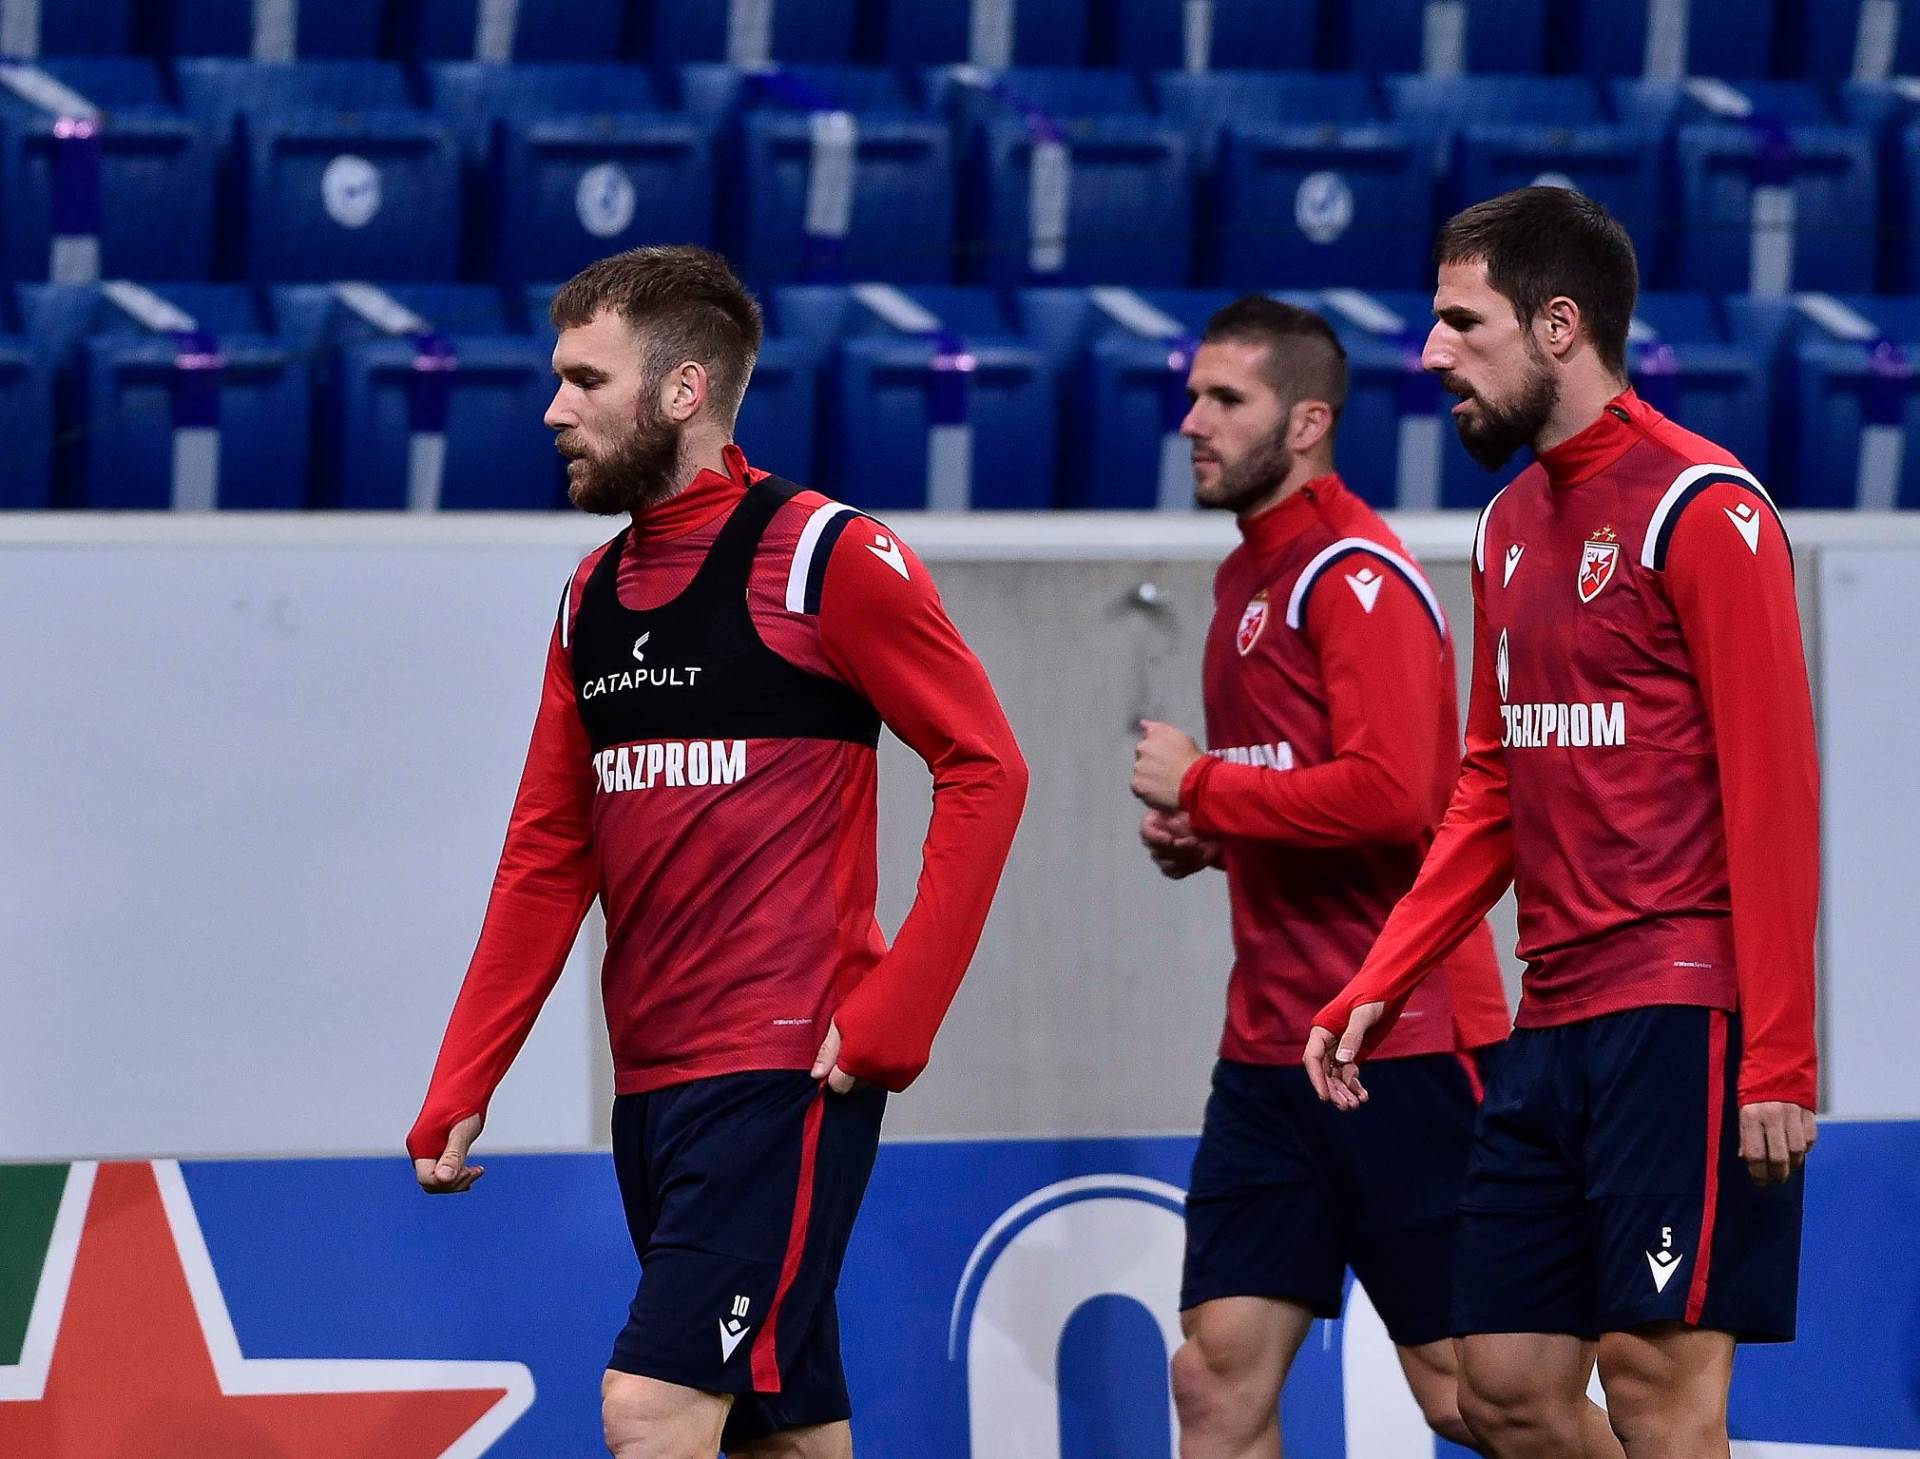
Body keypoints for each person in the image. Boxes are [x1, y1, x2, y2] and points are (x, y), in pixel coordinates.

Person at [405, 245, 1027, 1459]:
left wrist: (905, 1001)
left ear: (683, 391)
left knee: (651, 1412)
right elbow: (547, 854)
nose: (554, 409)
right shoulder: (590, 597)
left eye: (586, 379)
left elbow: (987, 766)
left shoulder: (825, 555)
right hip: (656, 1088)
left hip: (786, 1074)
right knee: (781, 1438)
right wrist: (464, 1074)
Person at [1306, 187, 1820, 1459]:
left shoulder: (1705, 508)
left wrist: (1783, 1060)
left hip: (1682, 1013)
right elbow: (1495, 780)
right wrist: (1385, 974)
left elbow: (1775, 792)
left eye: (1459, 324)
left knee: (1656, 1386)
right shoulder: (1505, 525)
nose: (1430, 356)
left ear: (1557, 326)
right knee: (1504, 1392)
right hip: (1552, 1022)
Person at [1128, 296, 1544, 1458]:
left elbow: (1398, 795)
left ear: (1308, 420)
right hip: (1269, 1056)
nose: (1191, 421)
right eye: (1194, 394)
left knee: (1476, 1400)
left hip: (1403, 1044)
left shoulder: (1353, 573)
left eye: (1225, 400)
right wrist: (1218, 837)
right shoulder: (1243, 580)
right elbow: (1304, 786)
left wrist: (1208, 791)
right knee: (1213, 1382)